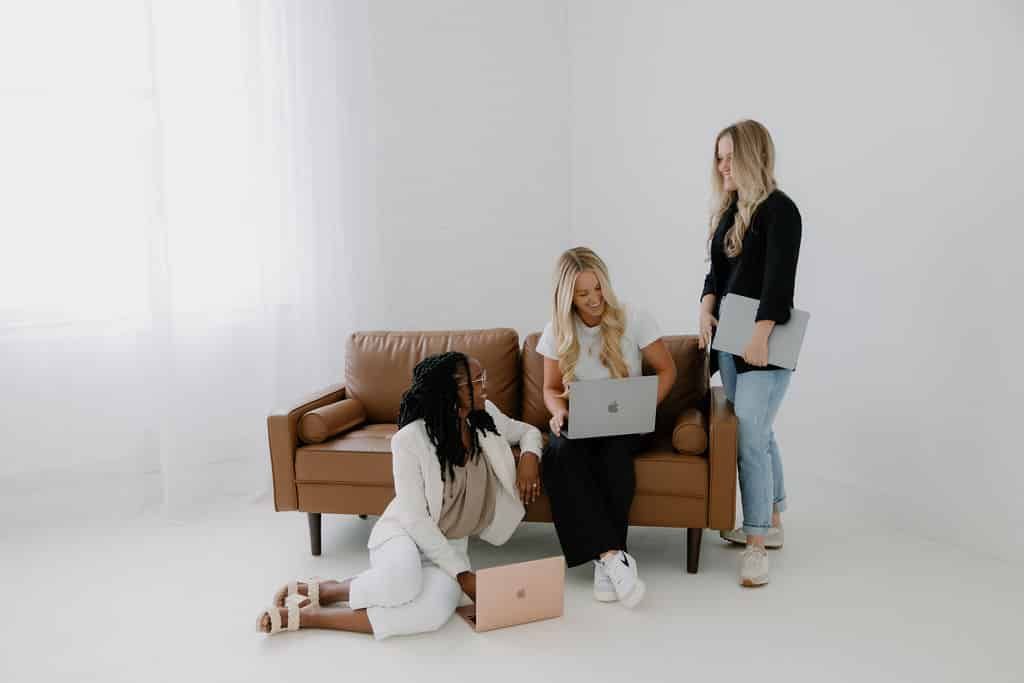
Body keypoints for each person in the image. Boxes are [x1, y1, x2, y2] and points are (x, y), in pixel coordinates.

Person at [257, 352, 544, 637]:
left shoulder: (484, 417)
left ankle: (314, 612)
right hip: (404, 532)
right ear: (450, 391)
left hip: (450, 544)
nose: (485, 386)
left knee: (432, 613)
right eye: (478, 380)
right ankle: (327, 595)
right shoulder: (409, 440)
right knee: (403, 584)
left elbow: (528, 432)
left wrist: (529, 458)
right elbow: (416, 519)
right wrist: (463, 574)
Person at [536, 247, 676, 608]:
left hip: (627, 423)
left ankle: (606, 558)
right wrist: (558, 412)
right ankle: (612, 557)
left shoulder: (635, 318)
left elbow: (667, 371)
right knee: (558, 453)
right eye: (583, 293)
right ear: (567, 297)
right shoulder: (557, 331)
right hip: (583, 421)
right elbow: (550, 389)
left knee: (612, 453)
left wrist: (643, 406)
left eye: (598, 288)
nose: (595, 299)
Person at [696, 119, 802, 587]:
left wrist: (760, 334)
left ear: (753, 157)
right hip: (730, 341)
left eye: (730, 157)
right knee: (758, 432)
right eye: (718, 158)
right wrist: (705, 307)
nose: (722, 166)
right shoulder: (730, 211)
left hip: (763, 342)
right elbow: (715, 276)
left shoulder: (780, 210)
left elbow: (779, 282)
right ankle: (772, 521)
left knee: (750, 439)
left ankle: (756, 542)